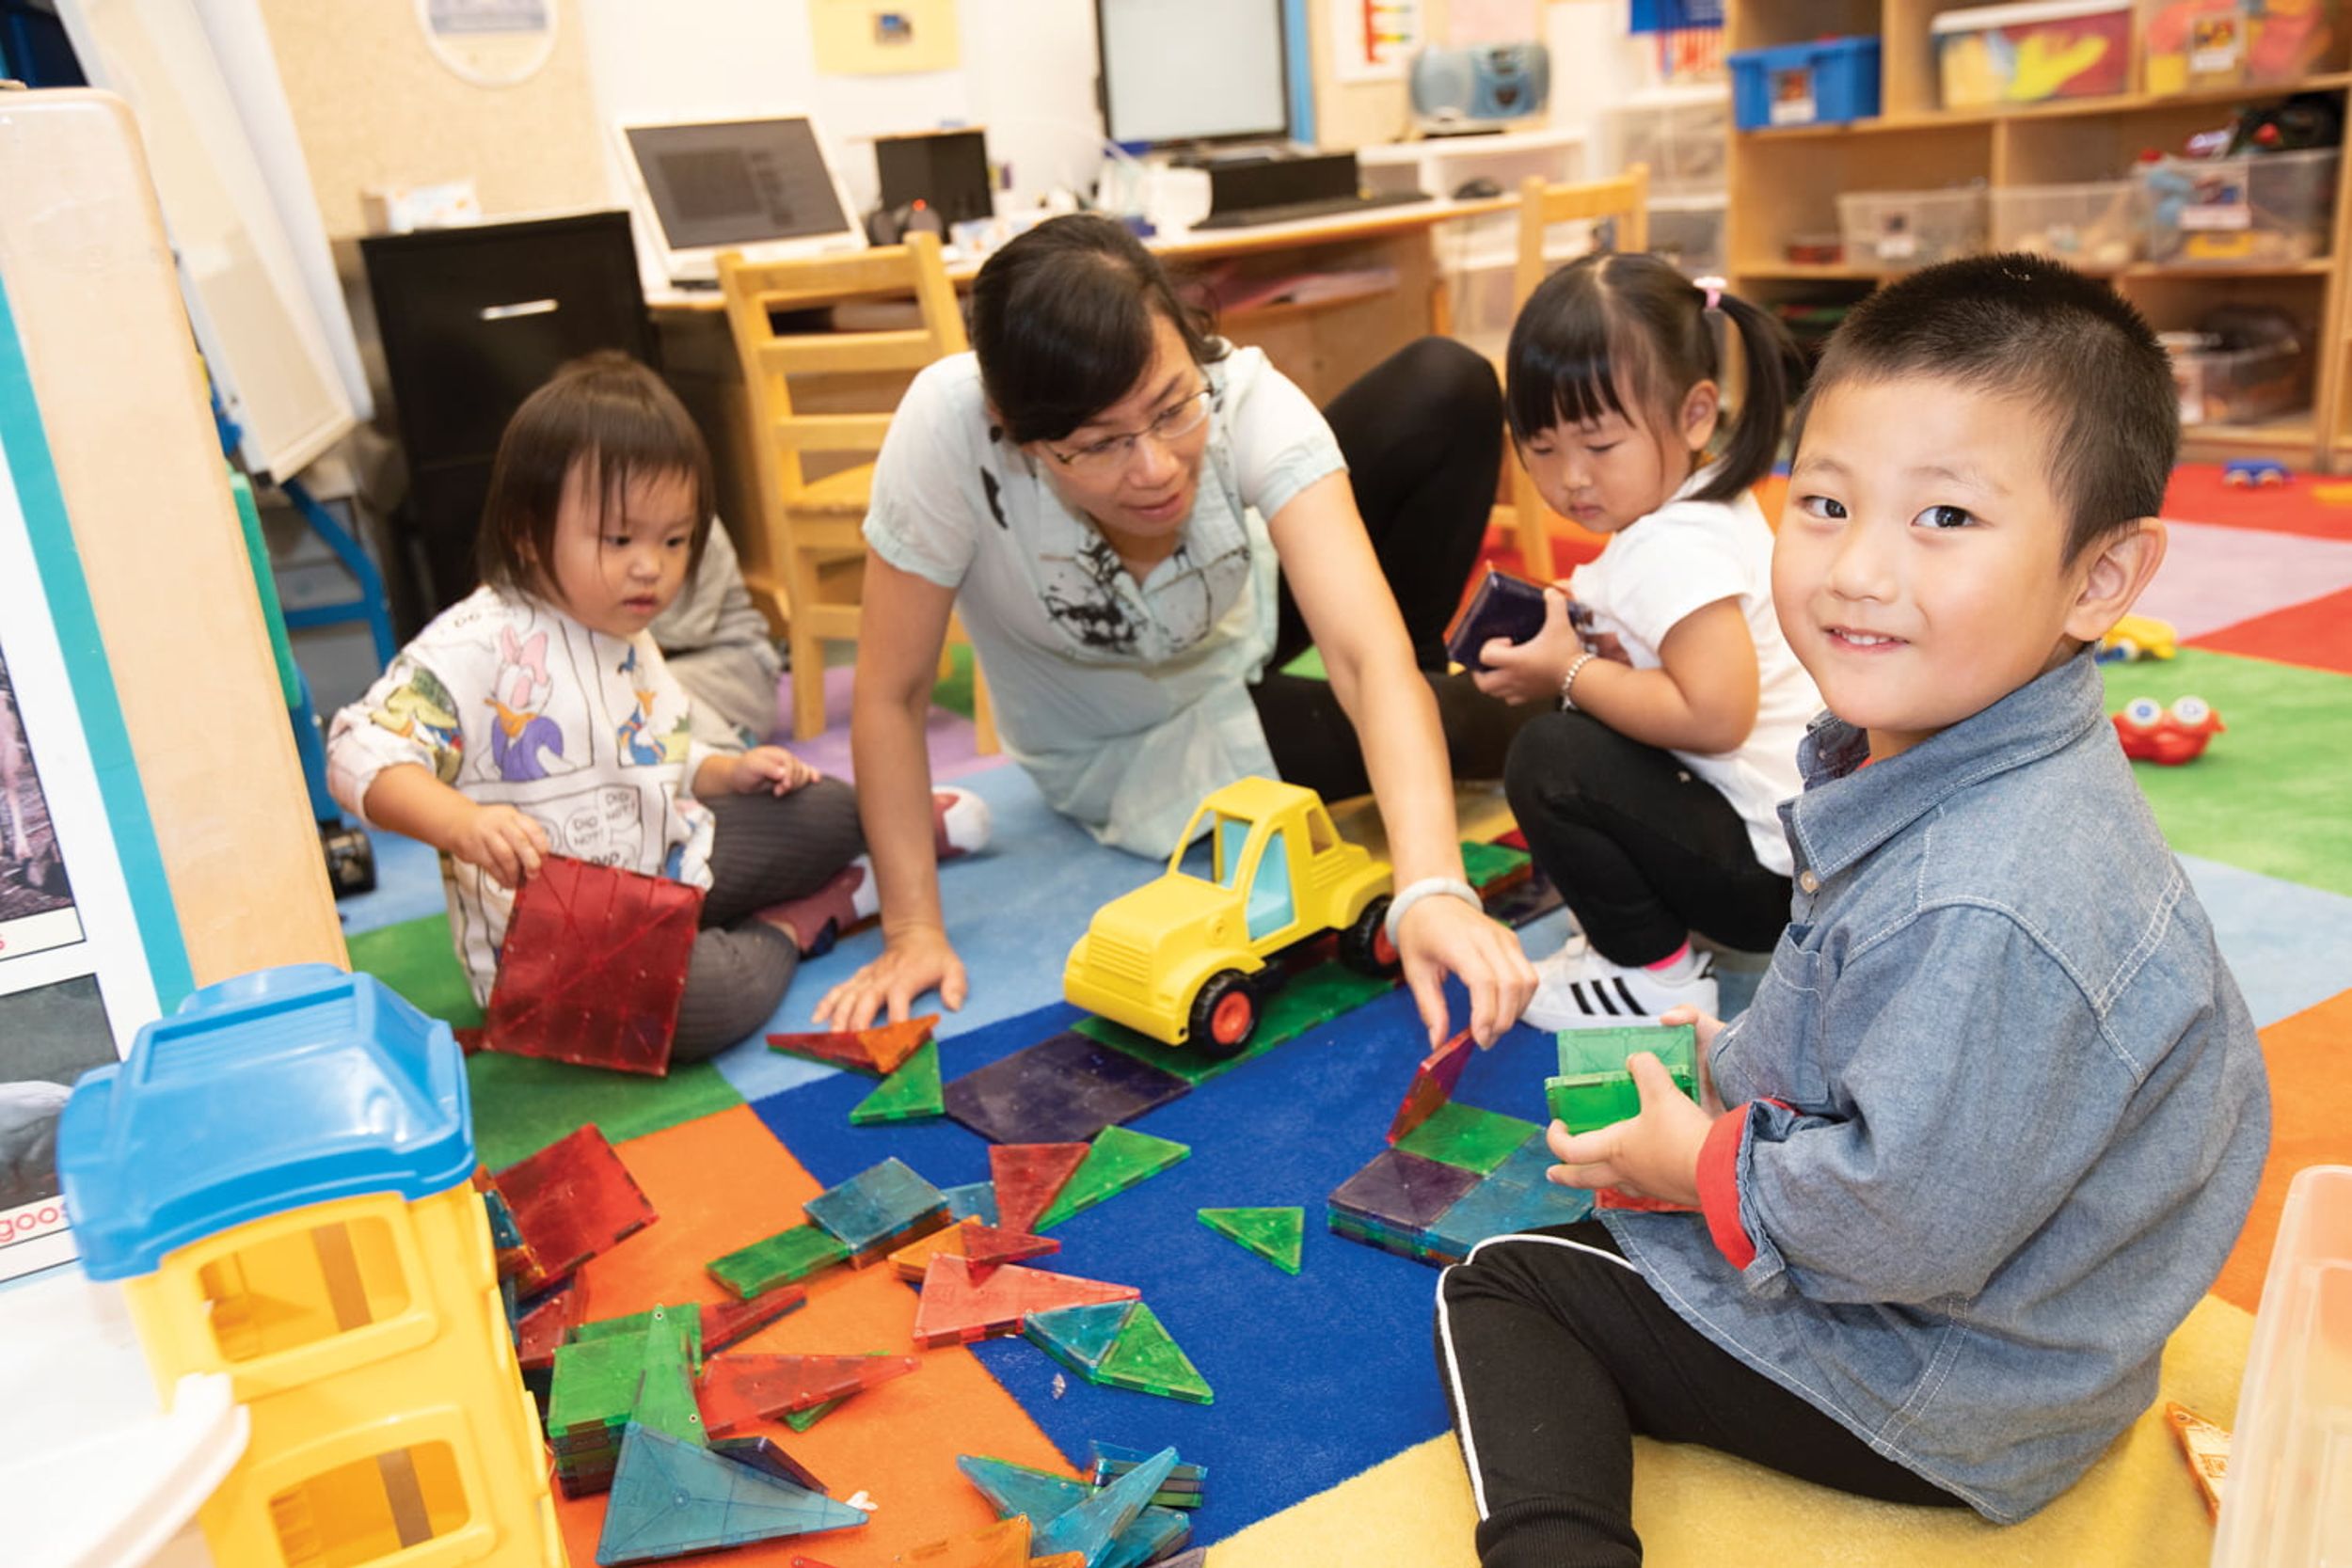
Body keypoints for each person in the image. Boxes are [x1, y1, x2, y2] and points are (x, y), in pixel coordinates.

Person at [1434, 255, 2270, 1563]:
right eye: (1825, 502)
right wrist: (1723, 1075)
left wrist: (1702, 1164)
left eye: (1944, 517)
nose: (1858, 569)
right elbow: (1873, 1025)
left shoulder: (1996, 894)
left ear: (2102, 576)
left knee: (1502, 1286)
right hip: (2020, 1329)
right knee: (1625, 1206)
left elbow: (1905, 1222)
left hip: (1947, 1389)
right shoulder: (1931, 758)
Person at [813, 214, 1536, 1045]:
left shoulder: (1236, 391)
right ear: (1022, 438)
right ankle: (1419, 733)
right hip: (1133, 750)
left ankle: (1395, 747)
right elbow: (893, 693)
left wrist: (1430, 885)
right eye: (1100, 445)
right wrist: (912, 931)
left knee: (1445, 381)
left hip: (1249, 626)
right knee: (1516, 717)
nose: (1154, 467)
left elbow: (1369, 659)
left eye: (1169, 411)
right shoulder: (948, 431)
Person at [328, 353, 979, 1059]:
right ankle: (797, 922)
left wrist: (726, 772)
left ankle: (886, 841)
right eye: (620, 539)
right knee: (701, 1003)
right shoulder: (472, 644)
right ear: (525, 528)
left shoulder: (626, 630)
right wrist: (463, 822)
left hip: (665, 863)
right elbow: (357, 752)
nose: (653, 566)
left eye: (674, 540)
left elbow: (653, 747)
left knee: (827, 808)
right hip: (558, 957)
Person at [1470, 254, 1819, 1029]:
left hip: (1763, 881)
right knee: (1585, 718)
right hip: (1791, 859)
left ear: (1695, 414)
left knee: (1549, 756)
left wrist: (1568, 669)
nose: (1570, 479)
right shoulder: (1700, 505)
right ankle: (1649, 934)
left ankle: (1651, 974)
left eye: (1598, 445)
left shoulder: (1671, 547)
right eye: (1542, 445)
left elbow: (1717, 715)